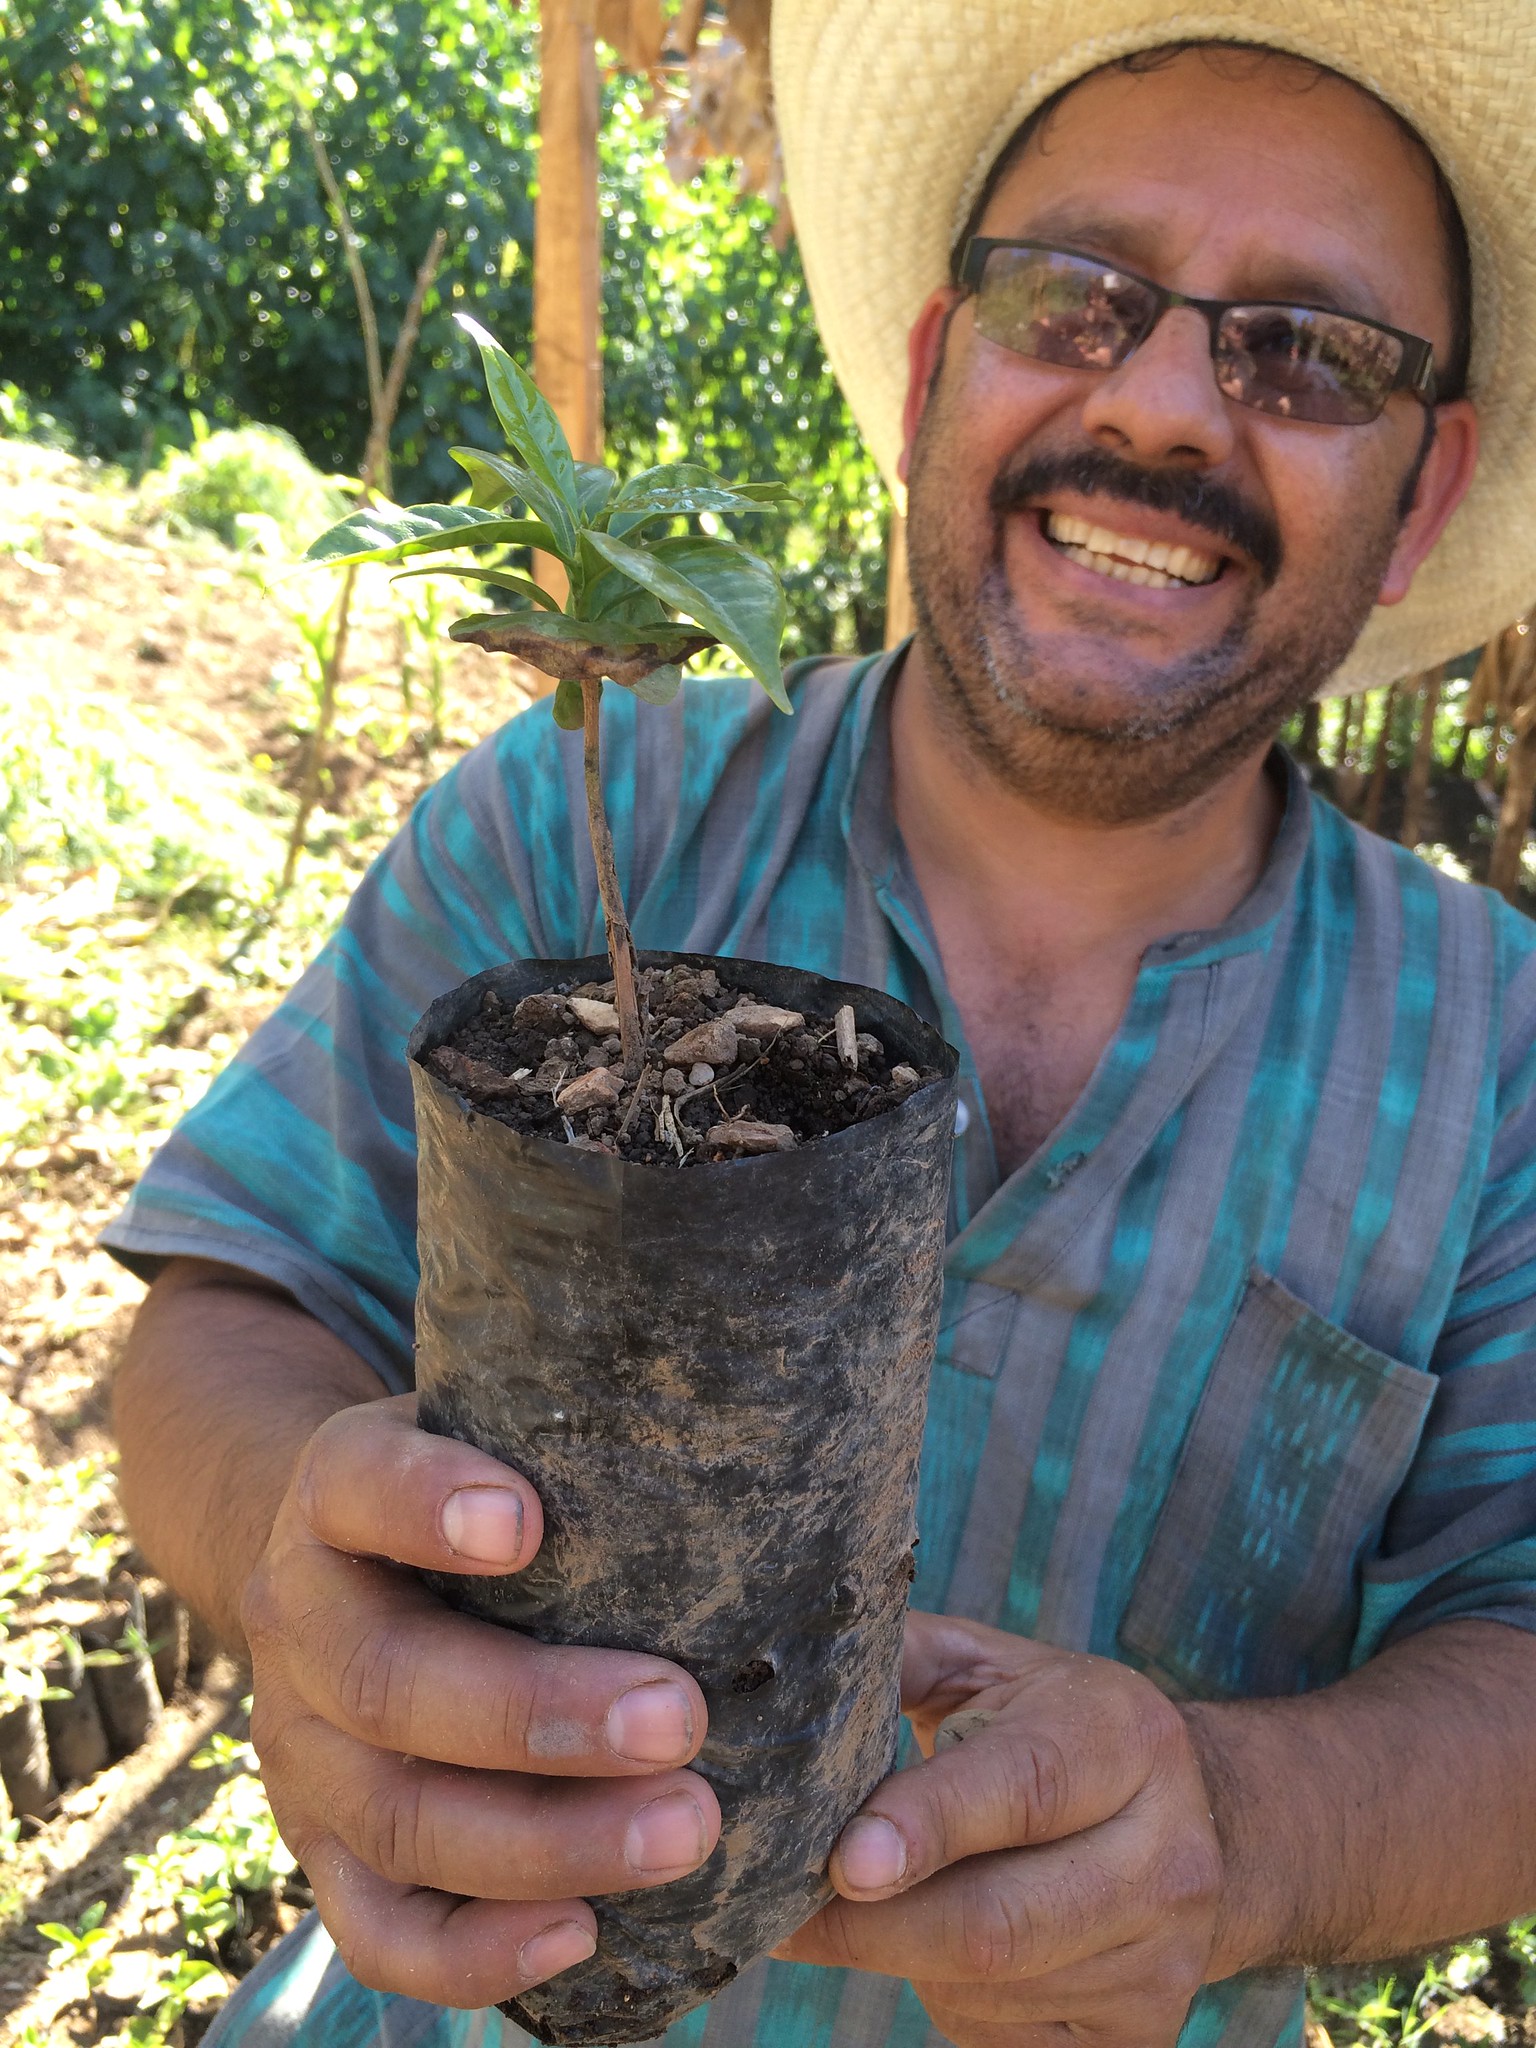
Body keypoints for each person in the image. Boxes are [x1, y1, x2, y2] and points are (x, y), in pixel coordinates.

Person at [104, 4, 1536, 2044]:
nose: (1165, 405)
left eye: (1309, 352)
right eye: (1076, 295)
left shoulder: (1497, 1055)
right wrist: (304, 1563)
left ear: (1422, 492)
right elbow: (225, 1310)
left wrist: (1245, 1823)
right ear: (943, 361)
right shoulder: (583, 812)